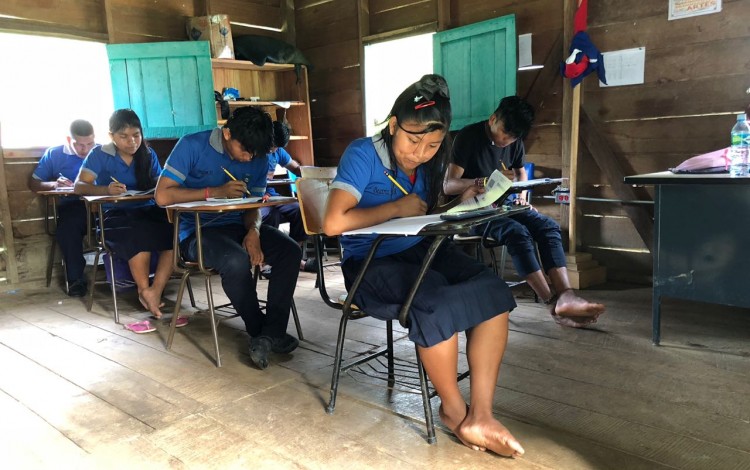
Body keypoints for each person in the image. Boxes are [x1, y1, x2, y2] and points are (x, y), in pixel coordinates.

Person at [323, 75, 524, 458]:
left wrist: (462, 201)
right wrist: (394, 208)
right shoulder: (363, 154)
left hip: (419, 247)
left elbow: (425, 214)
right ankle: (454, 411)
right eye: (413, 141)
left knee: (494, 291)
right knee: (434, 302)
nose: (420, 153)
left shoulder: (433, 162)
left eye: (432, 145)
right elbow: (333, 223)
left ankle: (481, 415)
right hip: (369, 262)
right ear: (394, 125)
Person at [154, 106, 302, 370]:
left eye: (254, 154)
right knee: (234, 259)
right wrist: (213, 191)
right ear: (226, 133)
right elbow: (162, 196)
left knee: (290, 251)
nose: (248, 158)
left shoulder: (255, 155)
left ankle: (272, 331)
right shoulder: (192, 146)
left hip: (238, 226)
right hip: (196, 232)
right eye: (244, 150)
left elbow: (253, 204)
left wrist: (253, 230)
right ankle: (260, 331)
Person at [444, 95, 605, 328]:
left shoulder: (514, 142)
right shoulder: (468, 137)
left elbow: (520, 174)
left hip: (502, 206)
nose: (507, 141)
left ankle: (567, 296)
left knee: (547, 226)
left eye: (513, 138)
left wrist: (521, 197)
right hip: (472, 209)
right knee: (516, 232)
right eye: (504, 133)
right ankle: (552, 303)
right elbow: (448, 185)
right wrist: (482, 182)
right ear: (493, 119)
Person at [74, 109, 175, 325]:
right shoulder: (100, 155)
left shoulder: (147, 154)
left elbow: (161, 184)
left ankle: (154, 290)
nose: (132, 142)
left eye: (136, 135)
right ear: (111, 136)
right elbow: (79, 186)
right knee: (138, 233)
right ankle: (143, 290)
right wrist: (105, 190)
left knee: (174, 232)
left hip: (147, 210)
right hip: (115, 216)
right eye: (124, 136)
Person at [29, 120, 98, 297]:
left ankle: (127, 277)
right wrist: (54, 184)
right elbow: (34, 183)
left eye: (89, 144)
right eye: (80, 145)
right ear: (69, 139)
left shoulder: (100, 152)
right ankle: (76, 280)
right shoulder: (55, 154)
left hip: (102, 205)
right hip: (74, 207)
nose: (85, 149)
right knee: (68, 229)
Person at [260, 121, 315, 272]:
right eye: (273, 145)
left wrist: (314, 173)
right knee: (271, 215)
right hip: (253, 197)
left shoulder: (278, 152)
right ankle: (267, 262)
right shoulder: (252, 150)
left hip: (270, 195)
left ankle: (294, 257)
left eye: (278, 147)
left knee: (300, 210)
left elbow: (296, 168)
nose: (274, 149)